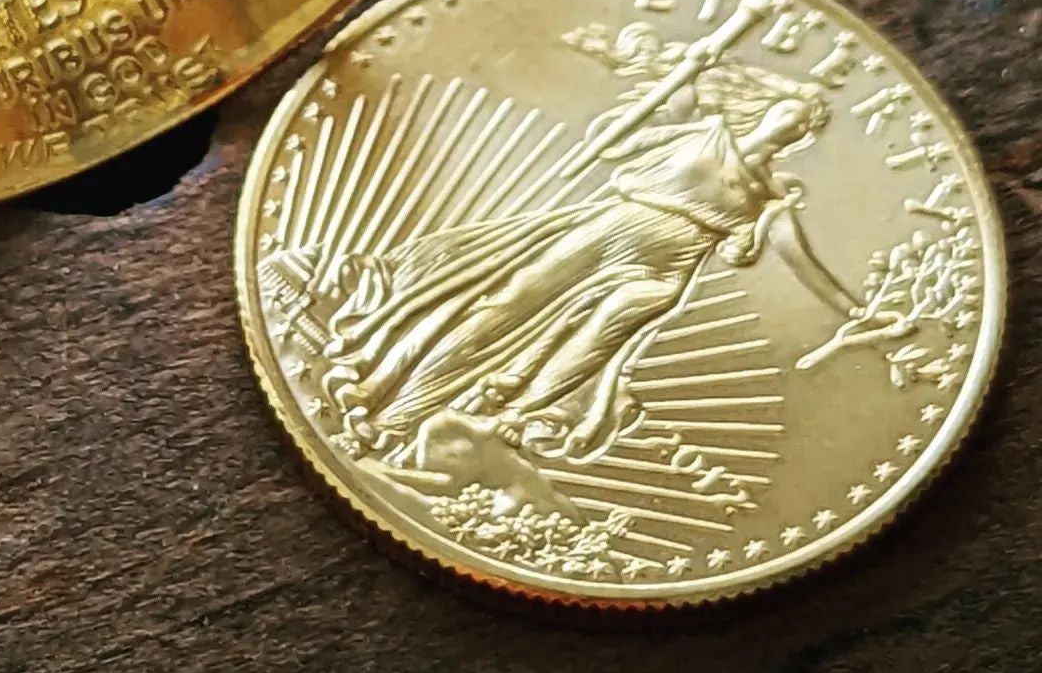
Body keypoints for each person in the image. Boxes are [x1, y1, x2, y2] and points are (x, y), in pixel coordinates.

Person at [317, 67, 859, 476]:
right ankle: (383, 398)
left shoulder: (769, 196)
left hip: (661, 272)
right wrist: (654, 105)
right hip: (607, 231)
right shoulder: (705, 132)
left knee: (582, 348)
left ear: (801, 138)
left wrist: (854, 309)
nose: (788, 126)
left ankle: (491, 421)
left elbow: (756, 255)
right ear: (767, 110)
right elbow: (618, 144)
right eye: (786, 113)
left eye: (799, 125)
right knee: (502, 307)